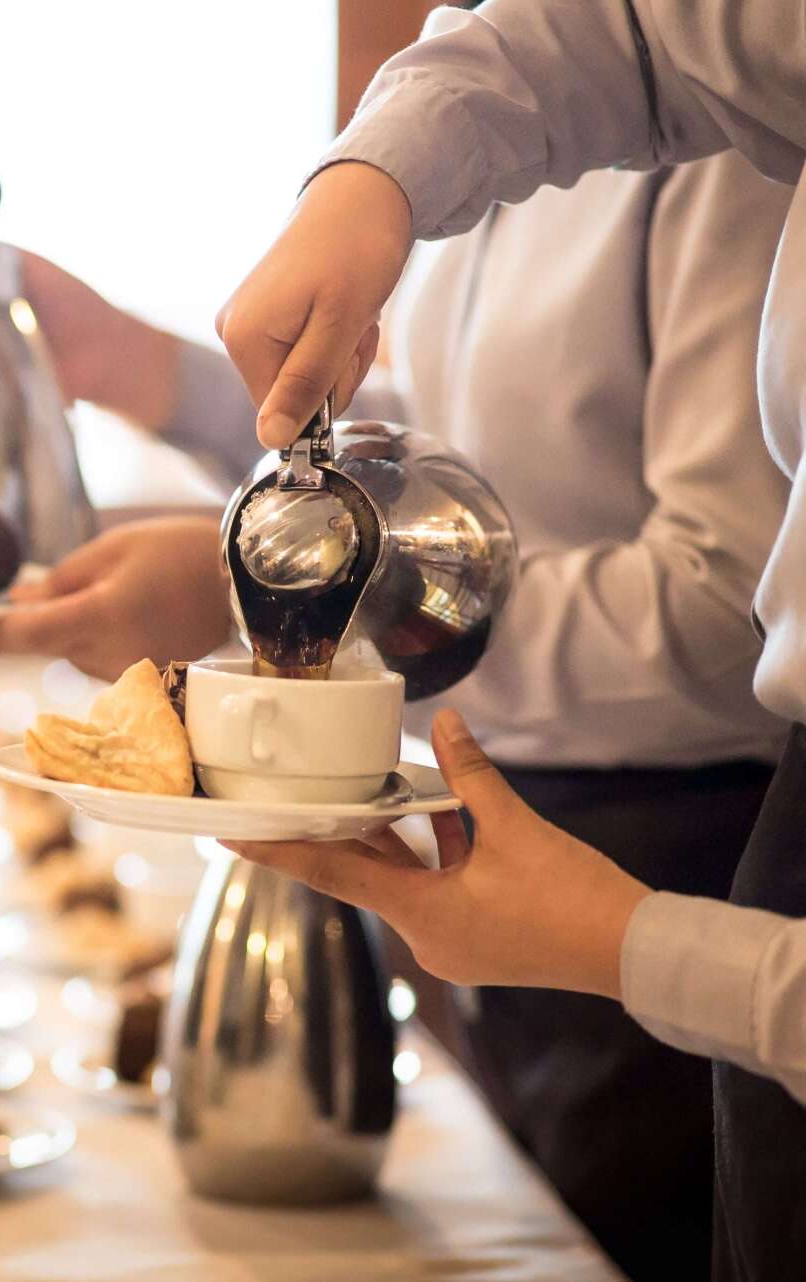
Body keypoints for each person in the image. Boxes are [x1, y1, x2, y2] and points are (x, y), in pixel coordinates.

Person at [0, 122, 790, 1271]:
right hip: (510, 824)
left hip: (676, 848)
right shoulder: (523, 101)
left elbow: (723, 610)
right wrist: (141, 373)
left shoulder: (734, 127)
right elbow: (460, 469)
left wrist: (247, 597)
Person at [195, 2, 806, 1278]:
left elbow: (712, 608)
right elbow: (432, 449)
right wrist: (373, 177)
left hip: (666, 827)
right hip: (547, 842)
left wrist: (355, 623)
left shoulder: (731, 160)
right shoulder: (497, 91)